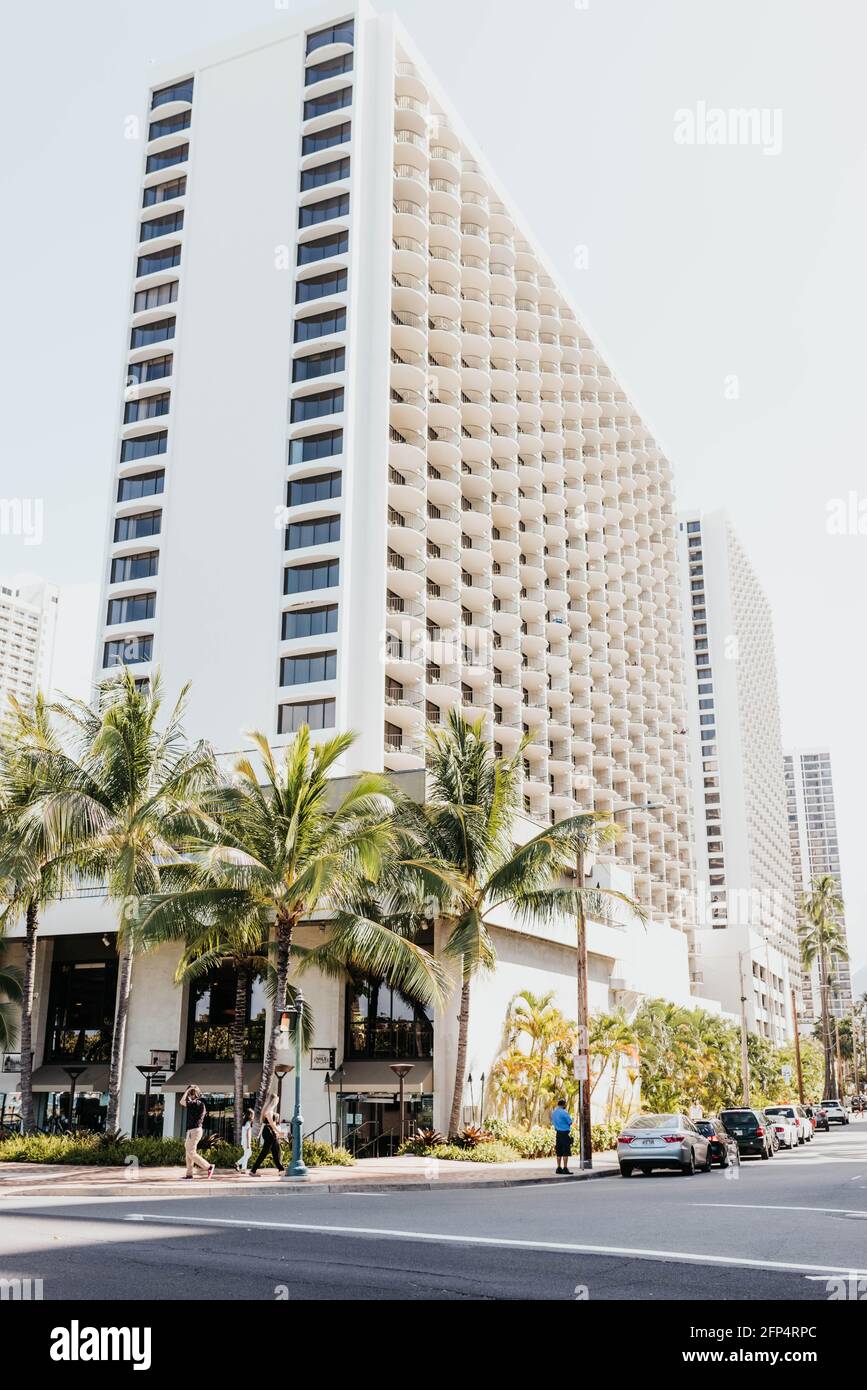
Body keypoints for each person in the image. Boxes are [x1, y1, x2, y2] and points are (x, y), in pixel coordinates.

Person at [180, 1085, 214, 1180]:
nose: (189, 1096)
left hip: (194, 1130)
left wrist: (187, 1091)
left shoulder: (196, 1103)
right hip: (194, 1130)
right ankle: (189, 1174)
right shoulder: (199, 1103)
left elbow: (181, 1101)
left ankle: (208, 1167)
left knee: (190, 1152)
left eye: (191, 1093)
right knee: (188, 1151)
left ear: (193, 1094)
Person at [249, 1095, 285, 1176]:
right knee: (265, 1152)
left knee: (276, 1151)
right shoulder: (268, 1111)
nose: (277, 1101)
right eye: (277, 1100)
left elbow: (272, 1124)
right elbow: (271, 1124)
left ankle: (281, 1169)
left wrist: (276, 1132)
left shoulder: (268, 1110)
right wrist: (279, 1132)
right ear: (273, 1101)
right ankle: (253, 1171)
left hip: (269, 1132)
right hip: (269, 1132)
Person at [551, 1098, 574, 1175]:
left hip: (558, 1133)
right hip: (564, 1133)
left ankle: (558, 1168)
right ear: (564, 1105)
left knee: (559, 1151)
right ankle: (565, 1168)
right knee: (565, 1151)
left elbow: (553, 1122)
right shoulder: (564, 1112)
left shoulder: (554, 1113)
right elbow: (570, 1122)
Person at [236, 1107, 254, 1172]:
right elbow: (248, 1134)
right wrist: (249, 1143)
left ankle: (237, 1163)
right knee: (247, 1154)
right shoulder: (248, 1123)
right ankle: (243, 1168)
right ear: (250, 1115)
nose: (253, 1116)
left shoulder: (245, 1123)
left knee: (248, 1154)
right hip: (246, 1141)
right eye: (253, 1115)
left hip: (243, 1141)